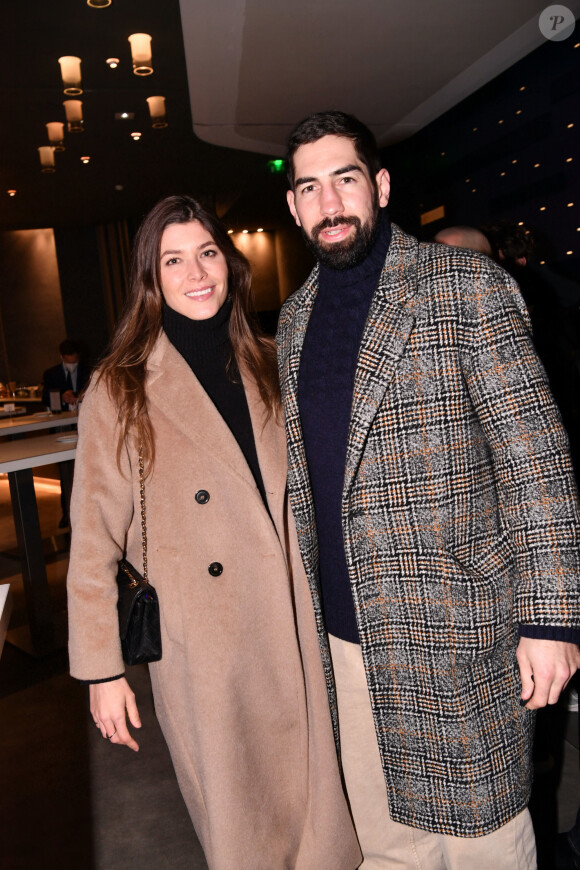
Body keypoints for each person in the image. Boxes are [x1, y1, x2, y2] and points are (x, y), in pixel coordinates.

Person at [276, 110, 580, 869]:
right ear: (292, 207)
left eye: (344, 178)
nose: (329, 202)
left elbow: (536, 461)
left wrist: (551, 621)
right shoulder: (290, 322)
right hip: (349, 640)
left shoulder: (465, 285)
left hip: (461, 632)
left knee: (487, 845)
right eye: (309, 187)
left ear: (378, 185)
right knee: (387, 849)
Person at [67, 195, 360, 870]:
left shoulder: (271, 360)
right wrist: (102, 672)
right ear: (151, 277)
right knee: (242, 822)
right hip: (206, 641)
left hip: (292, 616)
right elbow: (92, 542)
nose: (196, 272)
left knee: (321, 815)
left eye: (207, 253)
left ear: (228, 262)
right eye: (173, 259)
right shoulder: (121, 388)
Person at [42, 339, 91, 410]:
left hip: (83, 410)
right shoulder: (51, 374)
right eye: (68, 363)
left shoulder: (87, 371)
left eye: (74, 363)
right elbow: (45, 399)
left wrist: (78, 397)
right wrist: (61, 398)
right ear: (61, 357)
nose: (71, 366)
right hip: (62, 414)